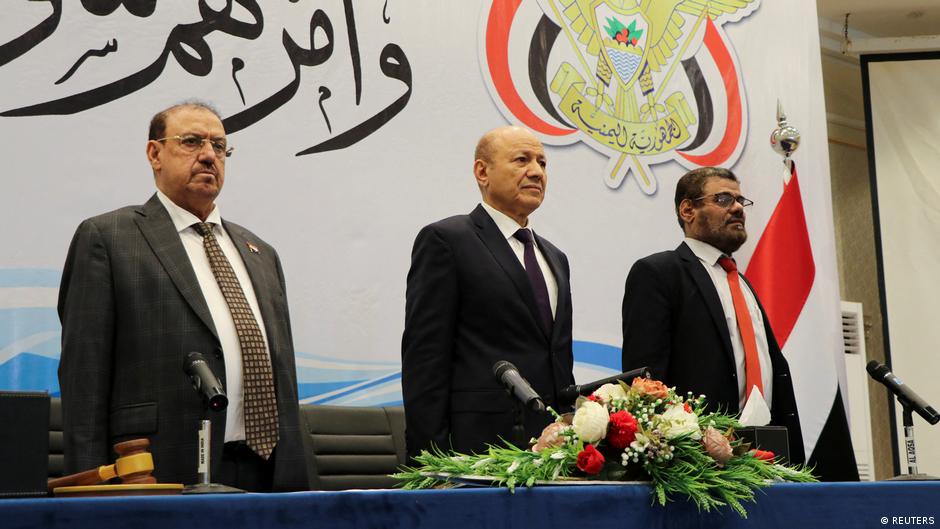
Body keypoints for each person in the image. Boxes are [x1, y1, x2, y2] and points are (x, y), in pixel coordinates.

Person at [57, 102, 308, 491]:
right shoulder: (109, 238)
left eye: (220, 146)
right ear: (154, 153)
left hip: (267, 470)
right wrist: (88, 489)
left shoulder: (260, 252)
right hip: (159, 469)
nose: (209, 155)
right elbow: (83, 377)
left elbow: (283, 375)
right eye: (191, 141)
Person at [401, 126, 575, 460]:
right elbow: (425, 357)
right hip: (476, 448)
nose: (536, 172)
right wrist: (431, 459)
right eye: (522, 160)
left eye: (542, 162)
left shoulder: (555, 258)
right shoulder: (448, 240)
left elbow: (556, 358)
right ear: (483, 171)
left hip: (554, 451)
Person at [621, 166, 805, 464]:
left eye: (740, 200)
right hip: (699, 462)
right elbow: (646, 383)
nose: (737, 208)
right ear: (687, 209)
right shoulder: (659, 273)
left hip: (770, 453)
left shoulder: (742, 284)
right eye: (722, 199)